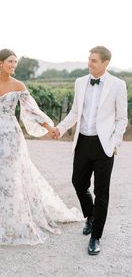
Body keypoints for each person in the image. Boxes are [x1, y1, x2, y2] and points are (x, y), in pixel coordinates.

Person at [0, 48, 82, 245]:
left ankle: (13, 219)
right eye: (10, 62)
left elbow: (33, 111)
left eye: (15, 63)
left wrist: (51, 127)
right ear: (0, 62)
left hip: (11, 135)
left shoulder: (18, 85)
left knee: (10, 175)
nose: (13, 66)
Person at [52, 46, 128, 255]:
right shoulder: (80, 82)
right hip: (83, 142)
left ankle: (96, 236)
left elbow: (122, 118)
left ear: (105, 63)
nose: (89, 63)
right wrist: (60, 128)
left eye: (94, 60)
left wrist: (114, 144)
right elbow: (75, 112)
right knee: (78, 182)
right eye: (89, 59)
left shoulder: (118, 85)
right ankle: (90, 215)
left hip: (104, 146)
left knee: (101, 192)